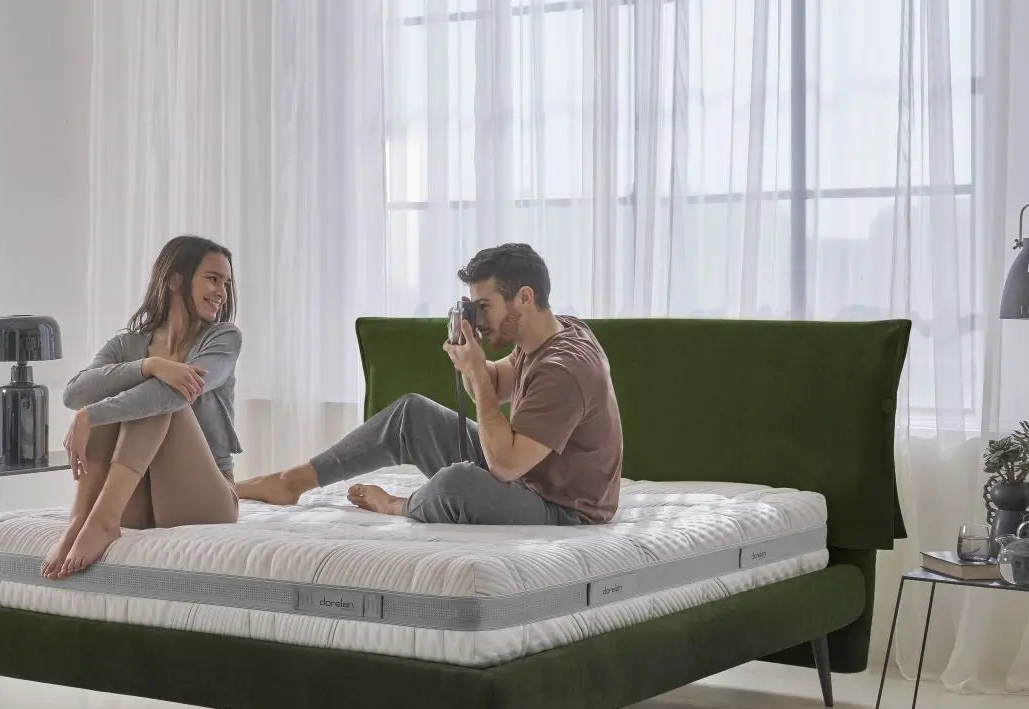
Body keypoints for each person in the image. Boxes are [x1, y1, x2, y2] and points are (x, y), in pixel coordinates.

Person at [237, 243, 622, 525]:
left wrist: (476, 376)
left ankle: (397, 505)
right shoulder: (549, 333)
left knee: (457, 482)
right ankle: (291, 482)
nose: (481, 319)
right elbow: (499, 383)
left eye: (484, 307)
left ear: (524, 297)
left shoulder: (564, 368)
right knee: (412, 412)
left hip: (562, 509)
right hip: (529, 475)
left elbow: (504, 466)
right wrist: (470, 359)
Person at [44, 235, 242, 577]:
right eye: (212, 278)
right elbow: (74, 393)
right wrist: (148, 365)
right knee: (116, 389)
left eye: (225, 282)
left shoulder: (223, 338)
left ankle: (103, 520)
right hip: (140, 496)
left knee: (159, 398)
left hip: (206, 496)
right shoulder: (127, 343)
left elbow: (177, 394)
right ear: (176, 280)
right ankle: (81, 518)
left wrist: (90, 416)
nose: (222, 292)